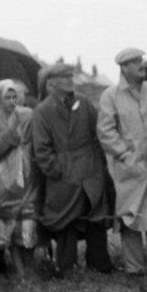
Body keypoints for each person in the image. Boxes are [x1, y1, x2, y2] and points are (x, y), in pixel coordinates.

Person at [31, 62, 113, 274]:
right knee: (64, 221)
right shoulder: (42, 111)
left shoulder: (84, 104)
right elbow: (41, 151)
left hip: (89, 172)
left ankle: (100, 264)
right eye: (63, 77)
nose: (69, 80)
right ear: (50, 84)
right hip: (64, 177)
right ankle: (66, 267)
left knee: (95, 217)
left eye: (70, 76)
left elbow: (98, 134)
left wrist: (96, 164)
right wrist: (59, 171)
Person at [97, 47, 147, 275]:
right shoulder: (111, 95)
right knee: (131, 217)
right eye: (135, 62)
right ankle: (134, 267)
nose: (142, 65)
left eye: (141, 60)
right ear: (124, 67)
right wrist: (126, 156)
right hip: (129, 168)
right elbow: (105, 131)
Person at [0, 79, 38, 273]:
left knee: (27, 220)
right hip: (1, 179)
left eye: (15, 96)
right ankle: (19, 269)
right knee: (8, 220)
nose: (12, 101)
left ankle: (29, 267)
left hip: (26, 174)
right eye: (7, 97)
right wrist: (12, 131)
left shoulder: (25, 114)